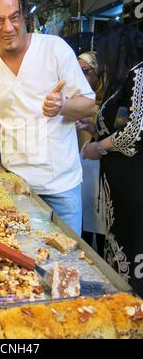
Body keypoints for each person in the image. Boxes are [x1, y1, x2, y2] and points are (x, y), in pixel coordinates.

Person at [0, 0, 95, 235]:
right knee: (23, 265)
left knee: (68, 266)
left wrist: (63, 105)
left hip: (60, 186)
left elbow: (89, 105)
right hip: (15, 185)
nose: (8, 27)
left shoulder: (54, 49)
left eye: (14, 17)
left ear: (24, 16)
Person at [82, 24, 143, 296]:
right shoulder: (125, 79)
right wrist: (92, 128)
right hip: (119, 186)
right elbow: (117, 125)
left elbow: (134, 130)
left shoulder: (140, 74)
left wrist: (100, 148)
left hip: (135, 183)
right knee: (119, 239)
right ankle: (122, 297)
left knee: (134, 241)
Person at [76, 52, 105, 256]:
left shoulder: (112, 101)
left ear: (98, 74)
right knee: (85, 222)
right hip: (84, 173)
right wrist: (93, 129)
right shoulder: (74, 103)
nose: (80, 77)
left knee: (103, 227)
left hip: (106, 176)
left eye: (85, 72)